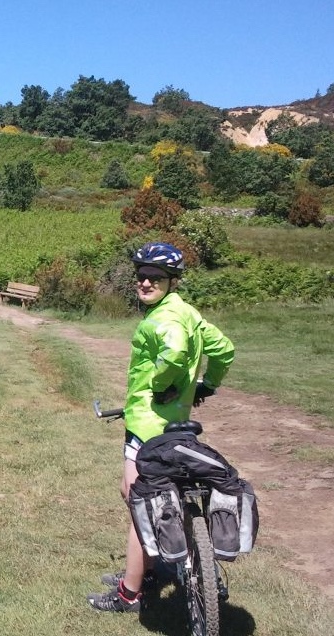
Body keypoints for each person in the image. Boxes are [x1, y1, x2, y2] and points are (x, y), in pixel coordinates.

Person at [87, 241, 235, 613]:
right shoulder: (187, 312)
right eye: (141, 276)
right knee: (136, 494)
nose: (146, 283)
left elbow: (173, 351)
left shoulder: (165, 319)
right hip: (177, 424)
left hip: (148, 425)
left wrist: (160, 384)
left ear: (173, 281)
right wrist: (207, 384)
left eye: (155, 277)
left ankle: (130, 593)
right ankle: (150, 568)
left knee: (140, 501)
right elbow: (224, 349)